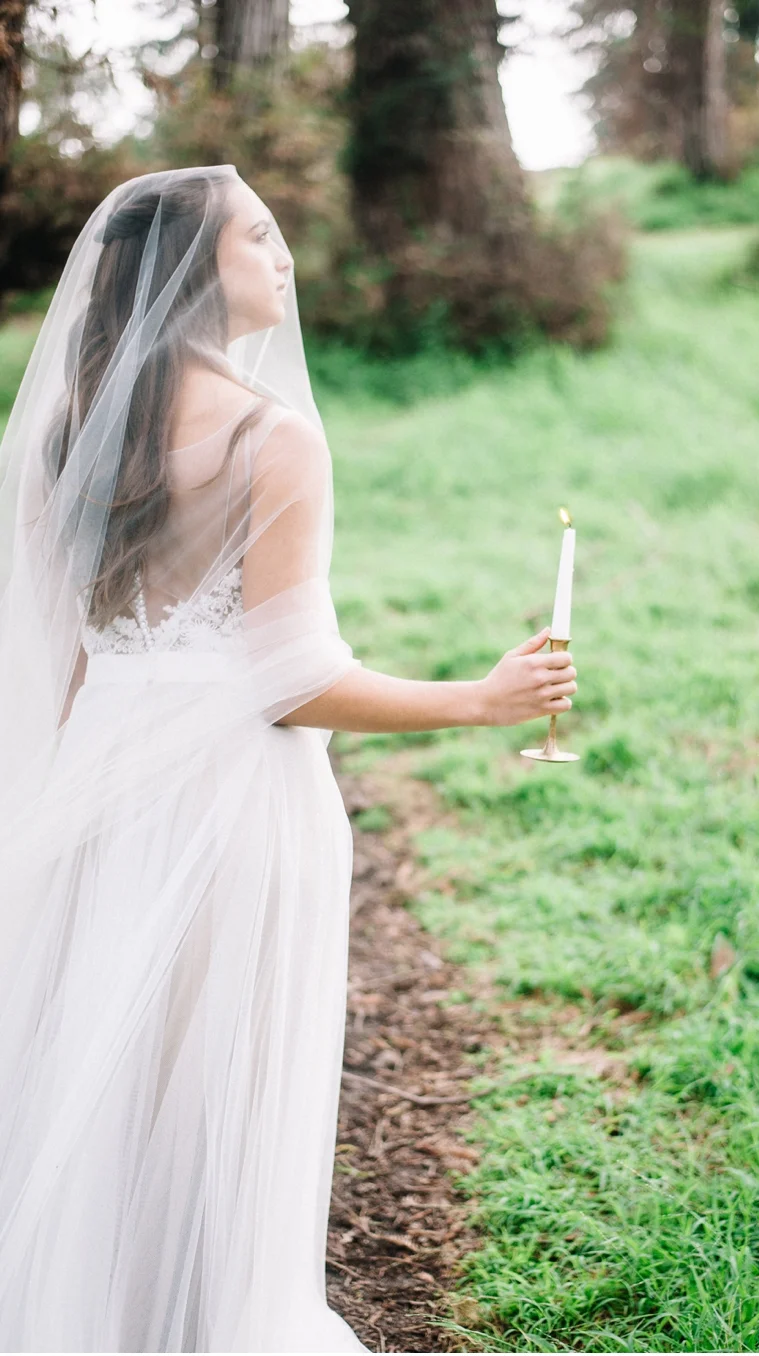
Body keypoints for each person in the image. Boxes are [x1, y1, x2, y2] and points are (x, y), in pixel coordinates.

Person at [0, 165, 577, 1353]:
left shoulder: (74, 432)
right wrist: (483, 699)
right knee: (218, 1085)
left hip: (100, 779)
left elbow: (61, 666)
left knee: (105, 1076)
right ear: (193, 274)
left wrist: (54, 802)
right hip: (231, 802)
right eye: (257, 237)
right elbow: (291, 682)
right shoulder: (274, 437)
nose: (284, 257)